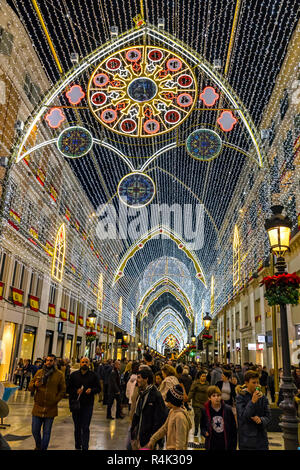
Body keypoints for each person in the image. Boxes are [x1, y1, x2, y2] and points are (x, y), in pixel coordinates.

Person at [28, 354, 66, 450]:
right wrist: (35, 385)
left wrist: (55, 399)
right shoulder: (39, 372)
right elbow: (30, 386)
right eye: (47, 360)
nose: (48, 362)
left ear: (54, 362)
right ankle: (38, 445)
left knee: (47, 431)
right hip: (38, 406)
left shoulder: (59, 375)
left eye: (51, 361)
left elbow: (62, 390)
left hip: (51, 408)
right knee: (35, 430)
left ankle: (43, 448)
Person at [67, 357, 101, 450]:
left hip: (88, 405)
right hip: (76, 405)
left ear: (89, 364)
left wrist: (92, 390)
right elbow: (68, 388)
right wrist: (75, 391)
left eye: (86, 362)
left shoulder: (93, 375)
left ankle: (85, 446)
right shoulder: (74, 375)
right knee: (77, 427)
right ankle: (78, 445)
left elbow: (98, 388)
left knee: (85, 427)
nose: (84, 363)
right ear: (80, 363)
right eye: (83, 362)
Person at [130, 367, 168, 449]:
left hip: (149, 439)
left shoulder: (156, 395)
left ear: (146, 379)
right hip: (139, 436)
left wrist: (153, 438)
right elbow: (137, 414)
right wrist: (133, 432)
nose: (137, 380)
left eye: (139, 378)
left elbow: (160, 419)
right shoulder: (141, 394)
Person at [146, 384, 192, 450]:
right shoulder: (172, 411)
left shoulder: (180, 417)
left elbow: (180, 442)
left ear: (173, 401)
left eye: (168, 400)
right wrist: (153, 439)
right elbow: (165, 428)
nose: (166, 402)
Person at [236, 370, 271, 450]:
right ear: (246, 383)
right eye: (253, 382)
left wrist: (261, 420)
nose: (256, 385)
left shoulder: (263, 397)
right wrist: (252, 402)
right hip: (247, 441)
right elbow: (243, 416)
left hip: (261, 440)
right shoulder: (240, 397)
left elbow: (268, 416)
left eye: (257, 382)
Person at [200, 386, 237, 450]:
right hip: (212, 443)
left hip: (225, 443)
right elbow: (202, 426)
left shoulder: (227, 409)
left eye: (218, 395)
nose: (216, 398)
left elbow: (233, 429)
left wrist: (233, 446)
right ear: (209, 398)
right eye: (214, 396)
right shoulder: (205, 410)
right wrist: (204, 432)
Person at [188, 370, 209, 437]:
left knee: (204, 417)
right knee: (197, 416)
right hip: (197, 403)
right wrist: (188, 399)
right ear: (199, 376)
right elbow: (191, 392)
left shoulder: (207, 383)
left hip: (205, 403)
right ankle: (196, 429)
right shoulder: (195, 383)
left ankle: (202, 430)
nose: (204, 378)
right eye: (202, 376)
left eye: (205, 376)